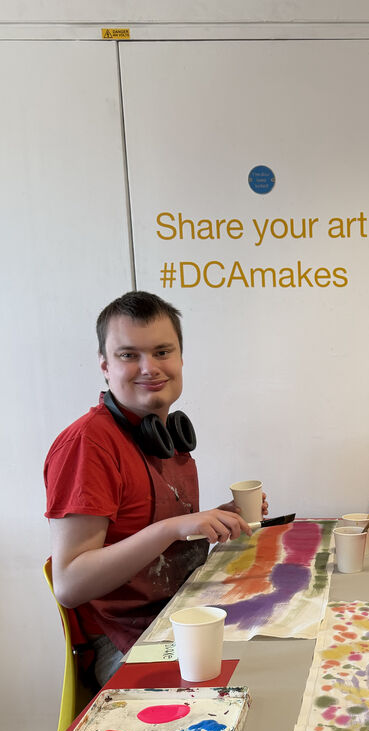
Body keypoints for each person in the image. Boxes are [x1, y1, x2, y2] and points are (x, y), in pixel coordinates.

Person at [44, 290, 261, 687]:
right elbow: (71, 584)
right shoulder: (87, 446)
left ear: (180, 358)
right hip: (130, 638)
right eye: (129, 355)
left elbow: (158, 532)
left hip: (180, 609)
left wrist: (215, 517)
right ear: (105, 366)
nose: (150, 367)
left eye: (162, 352)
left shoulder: (164, 435)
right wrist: (171, 529)